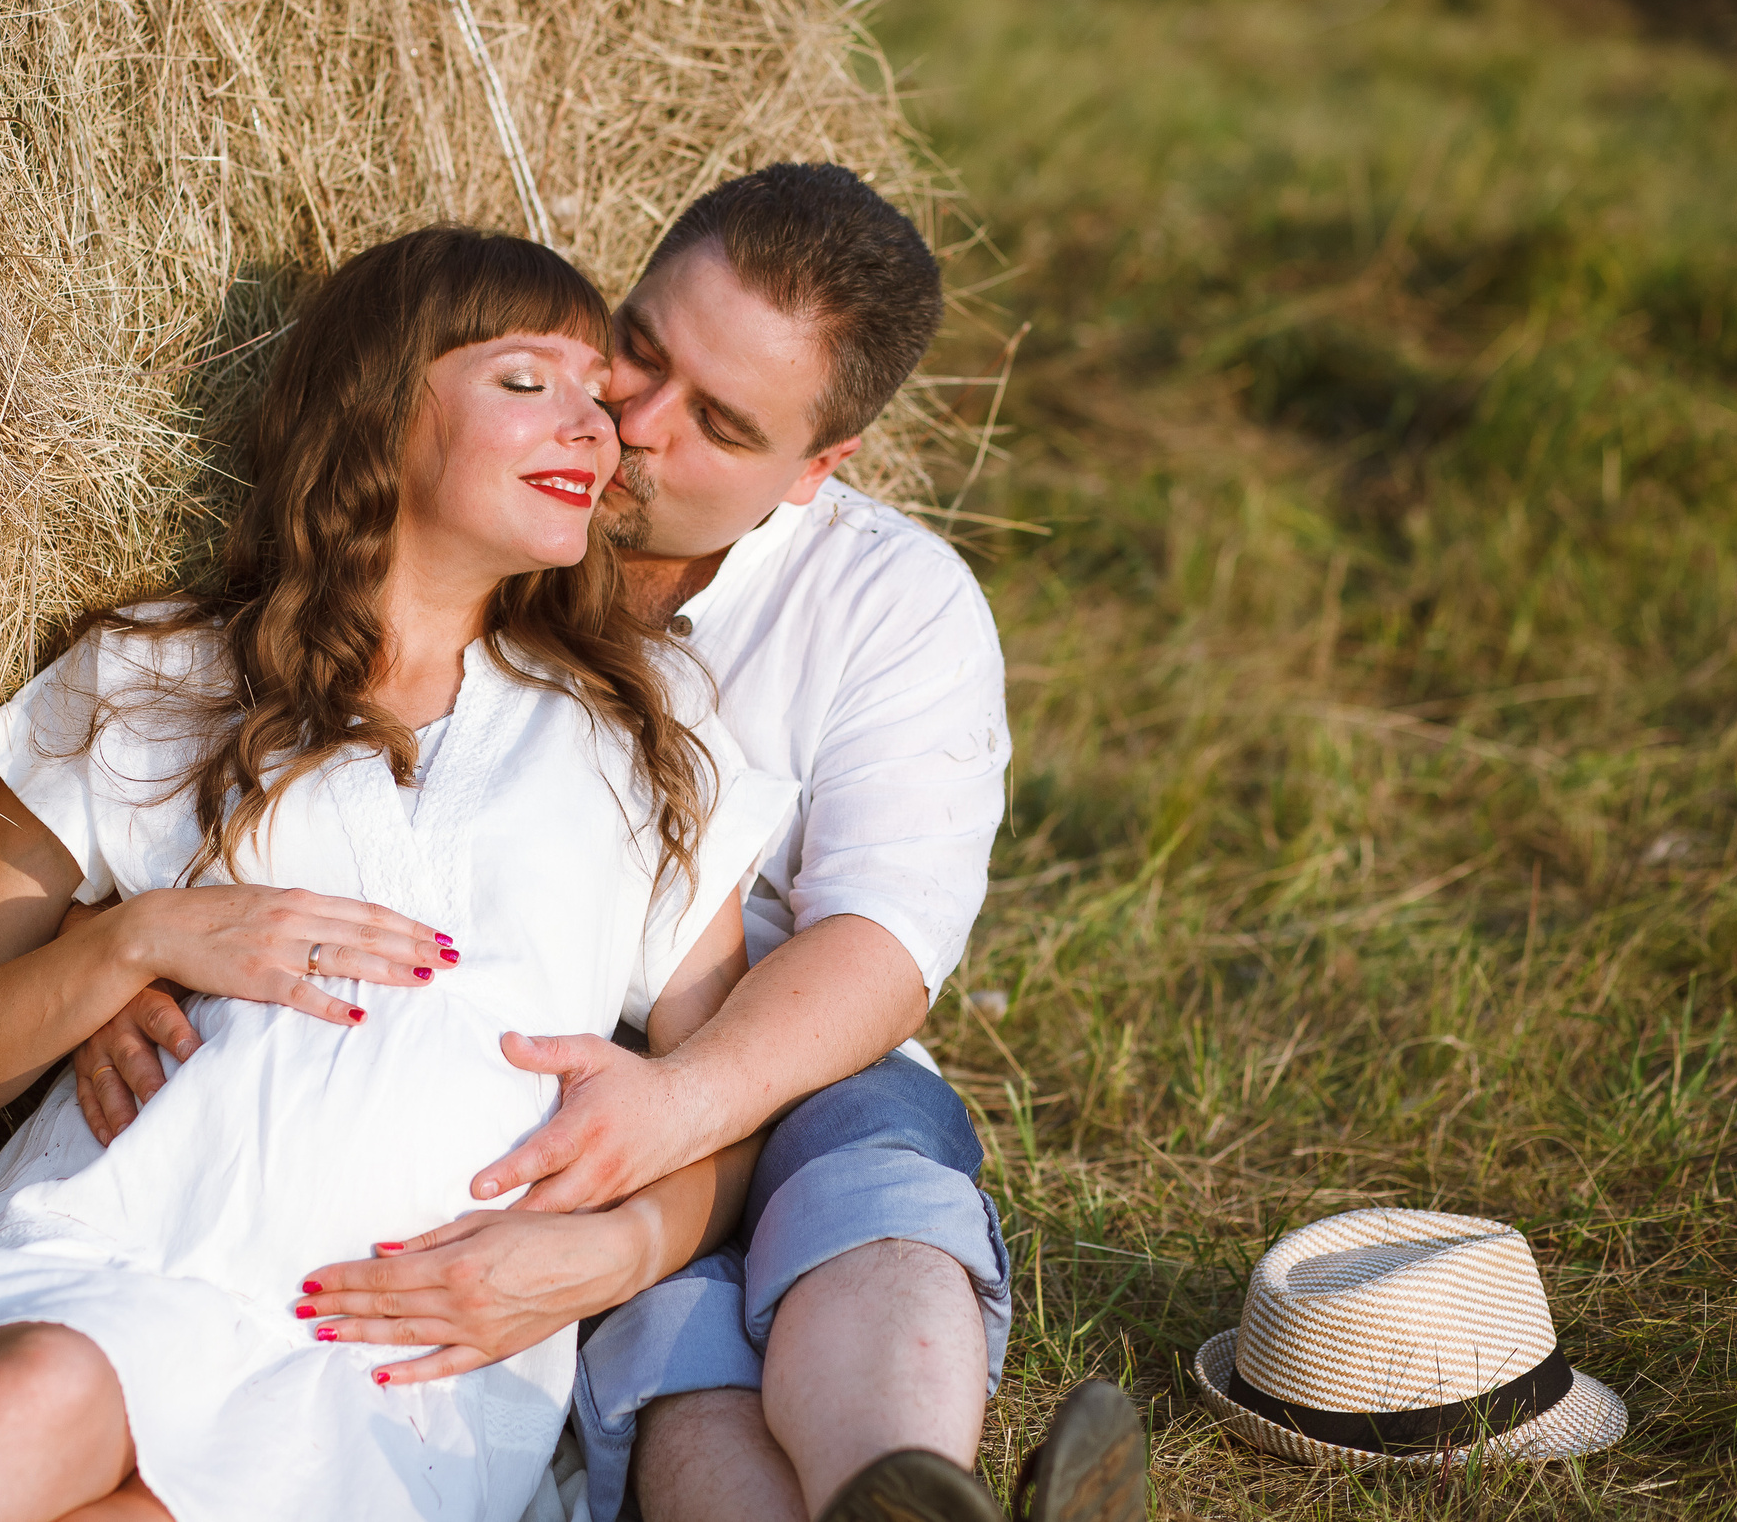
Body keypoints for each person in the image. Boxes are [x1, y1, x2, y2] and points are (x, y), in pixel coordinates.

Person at [65, 166, 1144, 1522]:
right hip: (503, 1065)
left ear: (817, 469)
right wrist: (110, 951)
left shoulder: (896, 605)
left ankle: (900, 1486)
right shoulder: (492, 493)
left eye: (721, 424)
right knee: (665, 1358)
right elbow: (257, 740)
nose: (633, 424)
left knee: (868, 1176)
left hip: (766, 1048)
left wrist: (681, 1106)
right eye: (640, 348)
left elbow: (884, 942)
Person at [0, 226, 800, 1522]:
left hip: (410, 1351)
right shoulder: (156, 675)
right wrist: (131, 943)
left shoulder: (645, 730)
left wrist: (615, 1254)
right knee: (13, 1401)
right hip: (131, 1250)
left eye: (600, 396)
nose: (597, 428)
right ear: (379, 407)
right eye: (529, 381)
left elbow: (723, 1100)